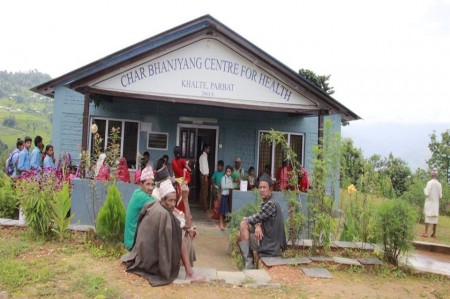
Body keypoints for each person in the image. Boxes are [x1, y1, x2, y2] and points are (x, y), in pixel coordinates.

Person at [123, 175, 204, 285]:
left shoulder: (155, 205)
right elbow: (187, 224)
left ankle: (187, 269)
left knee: (182, 232)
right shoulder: (163, 213)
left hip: (142, 254)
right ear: (162, 200)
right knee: (181, 236)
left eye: (174, 200)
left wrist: (186, 228)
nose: (172, 204)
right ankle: (189, 273)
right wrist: (185, 199)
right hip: (149, 261)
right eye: (170, 200)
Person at [238, 174, 287, 269]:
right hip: (266, 240)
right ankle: (249, 264)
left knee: (243, 225)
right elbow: (260, 217)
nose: (262, 190)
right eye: (260, 187)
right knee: (240, 233)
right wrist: (258, 225)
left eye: (264, 187)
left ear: (270, 189)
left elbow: (257, 217)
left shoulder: (270, 203)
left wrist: (246, 219)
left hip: (270, 245)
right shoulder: (266, 202)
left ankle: (249, 266)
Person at [123, 167, 155, 250]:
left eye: (152, 184)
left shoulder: (138, 192)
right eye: (148, 184)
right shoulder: (141, 196)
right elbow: (161, 205)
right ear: (141, 185)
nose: (151, 188)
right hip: (133, 242)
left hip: (132, 238)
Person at [421, 169, 442, 238]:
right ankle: (434, 233)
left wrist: (424, 189)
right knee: (435, 219)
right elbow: (440, 196)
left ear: (432, 175)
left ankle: (426, 232)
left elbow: (427, 194)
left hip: (429, 203)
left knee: (427, 217)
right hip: (436, 203)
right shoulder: (439, 184)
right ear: (437, 175)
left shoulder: (429, 183)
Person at [219, 165, 233, 231]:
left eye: (230, 171)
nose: (228, 172)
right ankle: (221, 223)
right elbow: (223, 187)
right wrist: (230, 186)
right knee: (222, 211)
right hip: (224, 195)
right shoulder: (223, 178)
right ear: (225, 172)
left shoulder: (231, 178)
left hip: (228, 196)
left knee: (226, 210)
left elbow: (231, 186)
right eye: (227, 171)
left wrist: (231, 186)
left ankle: (224, 223)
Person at [199, 144, 210, 212]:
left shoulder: (202, 156)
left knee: (202, 191)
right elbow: (205, 168)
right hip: (204, 175)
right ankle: (205, 208)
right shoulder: (204, 157)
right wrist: (206, 177)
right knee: (205, 192)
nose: (209, 150)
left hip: (202, 175)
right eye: (208, 148)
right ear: (205, 149)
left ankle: (201, 205)